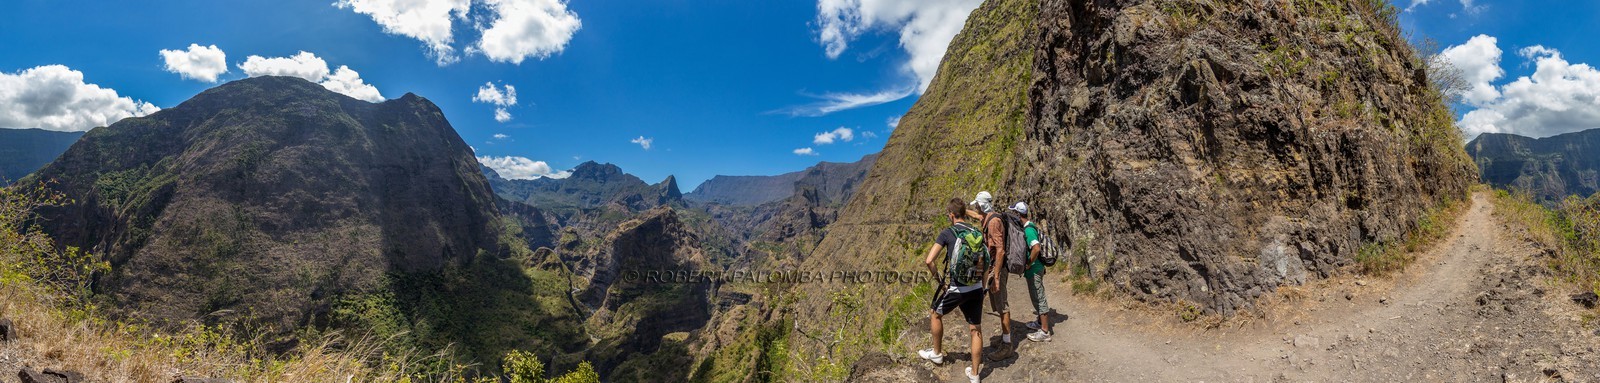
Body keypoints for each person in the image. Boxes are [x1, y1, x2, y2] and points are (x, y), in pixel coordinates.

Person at [919, 197, 987, 383]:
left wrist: (940, 282)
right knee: (975, 329)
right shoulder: (976, 232)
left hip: (958, 288)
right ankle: (974, 374)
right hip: (977, 287)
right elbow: (985, 261)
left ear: (951, 215)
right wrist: (984, 285)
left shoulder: (948, 233)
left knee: (935, 314)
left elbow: (929, 260)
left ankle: (937, 353)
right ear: (964, 213)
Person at [971, 191, 1015, 361]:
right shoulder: (989, 217)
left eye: (977, 204)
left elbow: (1000, 249)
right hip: (992, 268)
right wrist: (961, 210)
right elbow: (977, 215)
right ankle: (1005, 339)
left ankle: (1007, 345)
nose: (975, 207)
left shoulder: (993, 222)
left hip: (997, 268)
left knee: (1002, 304)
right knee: (997, 303)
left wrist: (995, 276)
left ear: (982, 205)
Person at [1013, 201, 1053, 342]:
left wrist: (1029, 263)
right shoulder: (1030, 226)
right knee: (1036, 296)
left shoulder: (1028, 229)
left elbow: (1036, 248)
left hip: (1035, 269)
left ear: (1018, 215)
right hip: (1036, 268)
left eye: (1015, 213)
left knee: (1039, 297)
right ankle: (1039, 323)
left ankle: (1045, 332)